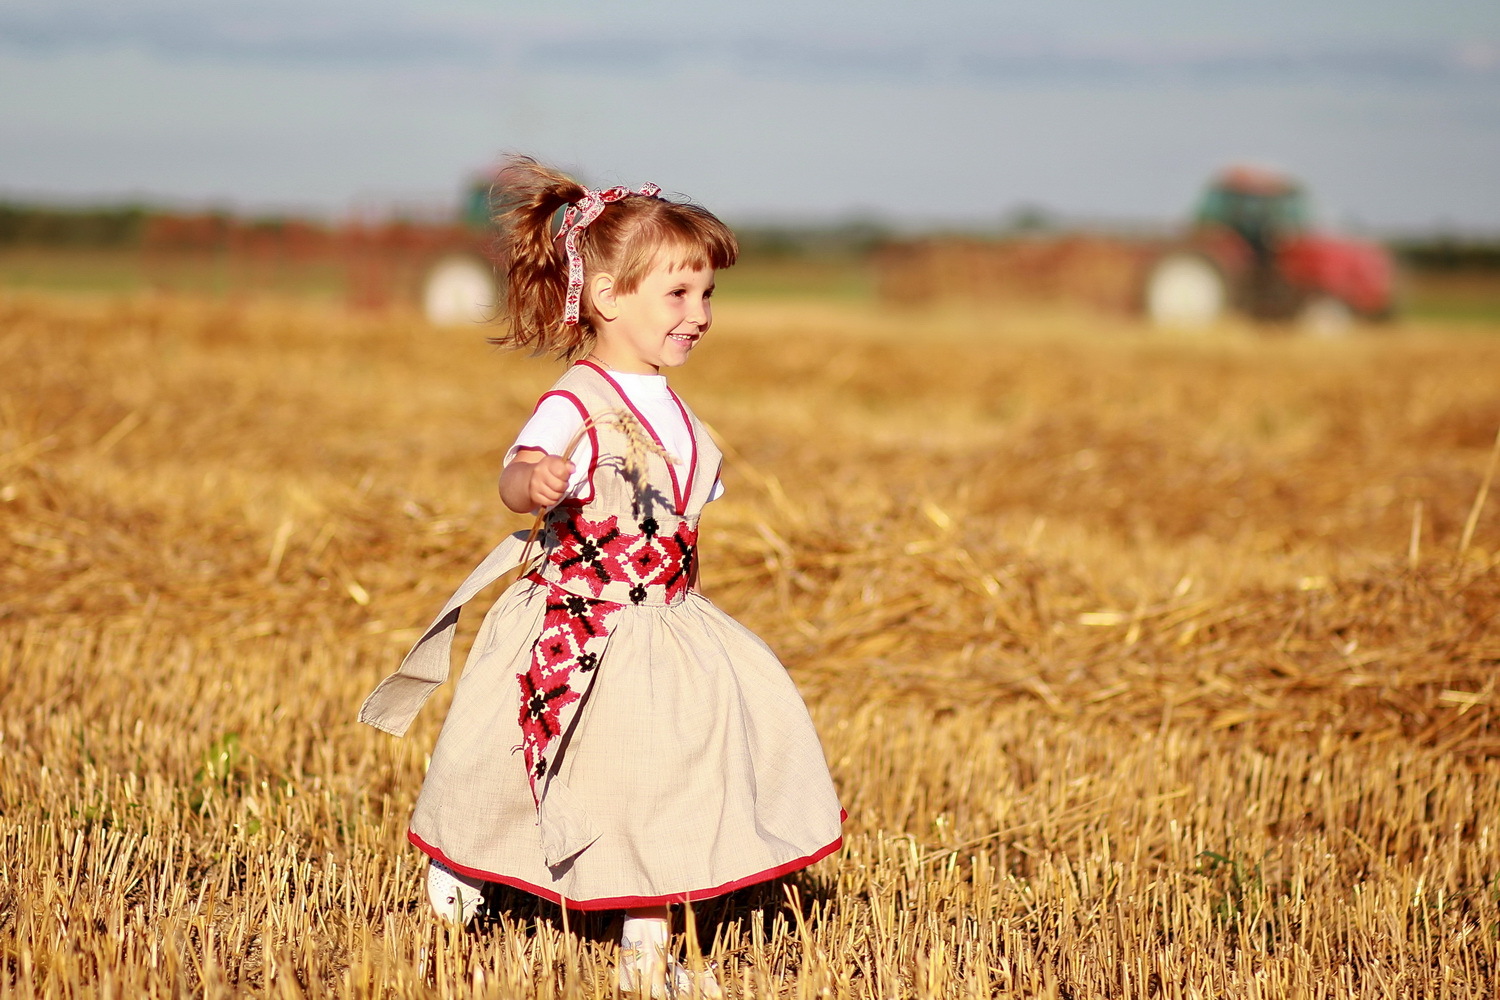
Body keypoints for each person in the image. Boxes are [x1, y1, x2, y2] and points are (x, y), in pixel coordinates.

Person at [358, 156, 844, 997]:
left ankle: (644, 955)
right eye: (680, 295)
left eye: (708, 296)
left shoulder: (676, 407)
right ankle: (469, 868)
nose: (700, 316)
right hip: (578, 621)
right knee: (504, 763)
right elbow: (518, 473)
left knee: (664, 781)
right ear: (609, 297)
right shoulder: (576, 399)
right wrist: (534, 483)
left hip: (666, 624)